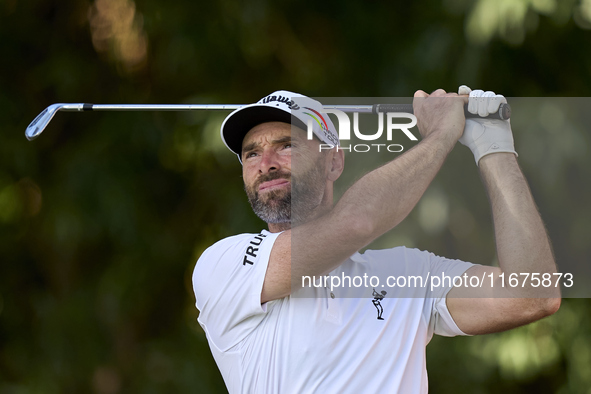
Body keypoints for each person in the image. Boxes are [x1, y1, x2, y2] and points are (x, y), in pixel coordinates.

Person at [192, 88, 561, 393]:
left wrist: (493, 147)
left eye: (287, 145)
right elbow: (356, 221)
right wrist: (441, 134)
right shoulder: (225, 263)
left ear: (333, 163)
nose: (266, 163)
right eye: (251, 153)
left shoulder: (407, 272)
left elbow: (531, 295)